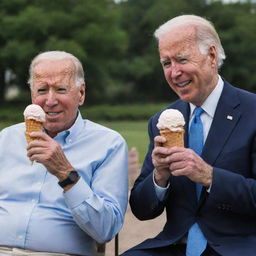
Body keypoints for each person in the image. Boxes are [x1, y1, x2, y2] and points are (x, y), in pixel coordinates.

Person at [120, 14, 256, 256]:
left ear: (212, 56)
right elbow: (142, 210)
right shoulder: (161, 121)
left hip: (238, 247)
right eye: (166, 63)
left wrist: (210, 176)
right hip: (174, 245)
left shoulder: (252, 111)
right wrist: (159, 176)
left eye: (181, 59)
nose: (174, 72)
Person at [0, 51, 128, 256]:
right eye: (42, 90)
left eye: (60, 89)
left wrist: (65, 173)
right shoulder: (6, 138)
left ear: (81, 93)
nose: (50, 100)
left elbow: (106, 230)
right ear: (32, 95)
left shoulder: (108, 144)